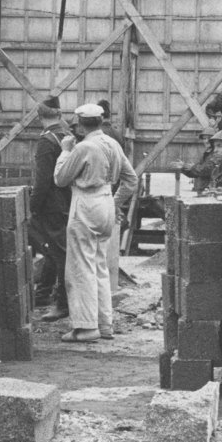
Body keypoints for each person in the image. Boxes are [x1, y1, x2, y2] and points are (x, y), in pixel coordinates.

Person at [54, 103, 137, 342]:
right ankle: (105, 323)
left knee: (80, 267)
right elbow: (131, 180)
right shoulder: (113, 144)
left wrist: (65, 151)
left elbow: (60, 179)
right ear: (101, 122)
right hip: (106, 202)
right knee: (100, 266)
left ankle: (86, 326)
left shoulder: (83, 148)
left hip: (86, 204)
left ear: (80, 125)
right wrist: (115, 200)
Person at [30, 97, 71, 320]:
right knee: (58, 252)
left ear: (40, 117)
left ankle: (62, 303)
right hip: (67, 202)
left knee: (59, 254)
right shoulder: (66, 136)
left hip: (52, 206)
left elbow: (43, 180)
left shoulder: (47, 141)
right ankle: (51, 296)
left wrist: (32, 206)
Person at [172, 126, 217, 194]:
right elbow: (195, 173)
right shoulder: (206, 154)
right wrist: (183, 167)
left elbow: (207, 170)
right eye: (204, 139)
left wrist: (192, 167)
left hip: (209, 191)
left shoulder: (216, 154)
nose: (206, 141)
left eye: (209, 138)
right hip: (201, 190)